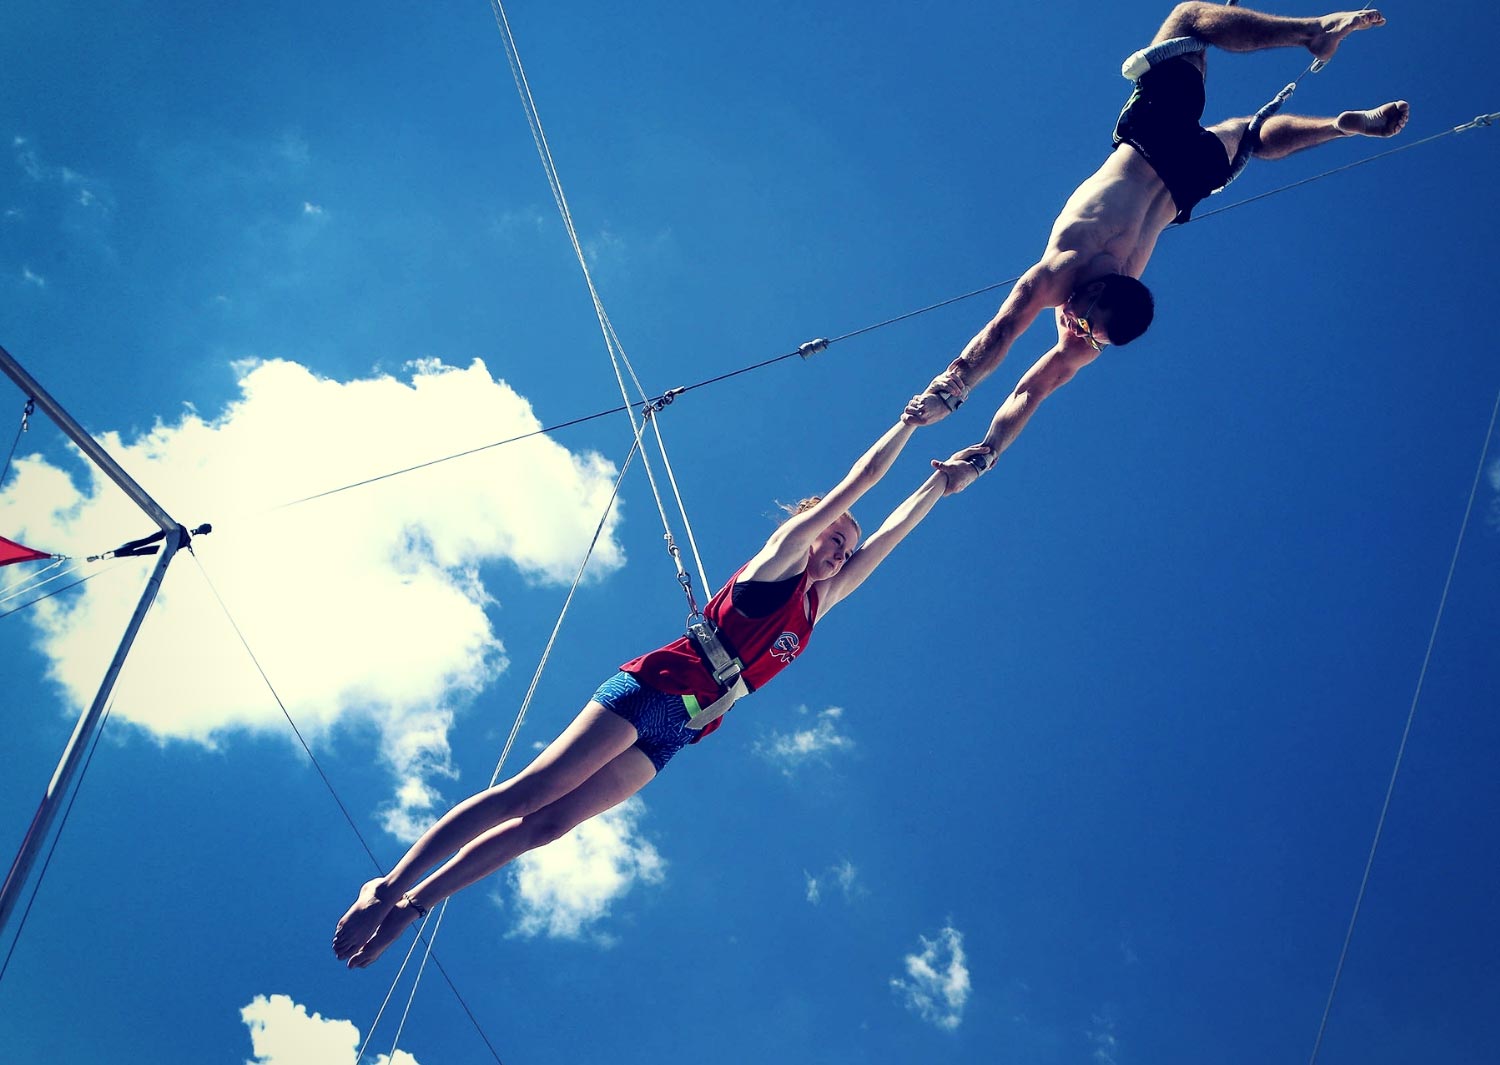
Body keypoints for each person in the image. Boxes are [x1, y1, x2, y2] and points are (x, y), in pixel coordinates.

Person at [332, 401, 988, 967]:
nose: (844, 549)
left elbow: (891, 536)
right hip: (657, 686)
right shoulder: (779, 563)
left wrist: (940, 486)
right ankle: (387, 886)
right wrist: (908, 423)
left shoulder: (819, 603)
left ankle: (415, 907)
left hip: (681, 731)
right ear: (811, 534)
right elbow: (860, 483)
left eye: (848, 545)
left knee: (549, 825)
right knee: (531, 792)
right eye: (836, 536)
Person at [906, 4, 1408, 489]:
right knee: (1212, 62)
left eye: (1085, 326)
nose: (1073, 324)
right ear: (1107, 288)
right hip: (1166, 162)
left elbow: (1023, 375)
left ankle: (1332, 97)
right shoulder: (1070, 278)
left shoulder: (1069, 286)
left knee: (1222, 87)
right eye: (1085, 323)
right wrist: (954, 400)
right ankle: (1328, 87)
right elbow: (1010, 346)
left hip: (1176, 173)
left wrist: (972, 429)